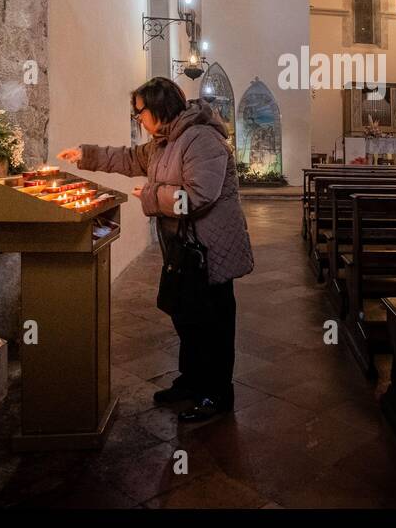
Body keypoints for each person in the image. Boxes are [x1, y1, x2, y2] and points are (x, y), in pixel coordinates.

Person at [57, 77, 254, 422]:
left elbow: (197, 196)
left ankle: (216, 394)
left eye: (140, 112)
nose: (138, 119)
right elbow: (130, 158)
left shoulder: (202, 139)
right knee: (186, 316)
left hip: (210, 249)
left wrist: (150, 196)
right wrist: (85, 155)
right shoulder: (164, 142)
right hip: (184, 248)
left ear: (159, 108)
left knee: (212, 322)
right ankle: (191, 381)